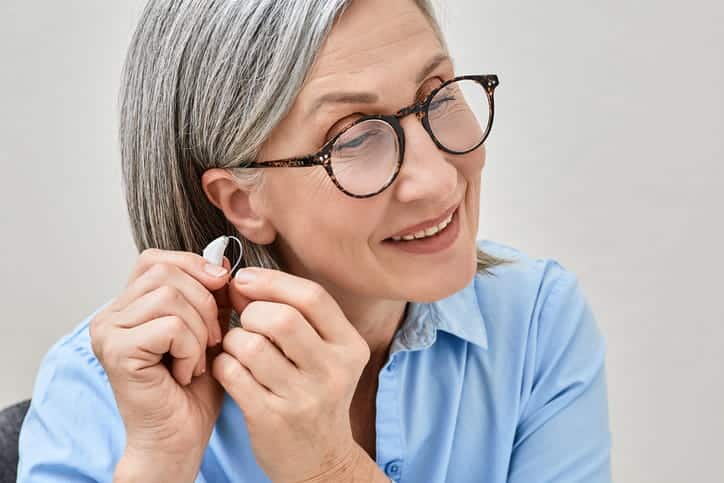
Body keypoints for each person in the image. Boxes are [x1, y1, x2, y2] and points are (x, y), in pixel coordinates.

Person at [17, 0, 612, 481]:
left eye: (438, 95)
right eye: (354, 139)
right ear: (241, 202)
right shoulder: (98, 392)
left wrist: (329, 469)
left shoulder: (534, 319)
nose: (436, 180)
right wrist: (159, 464)